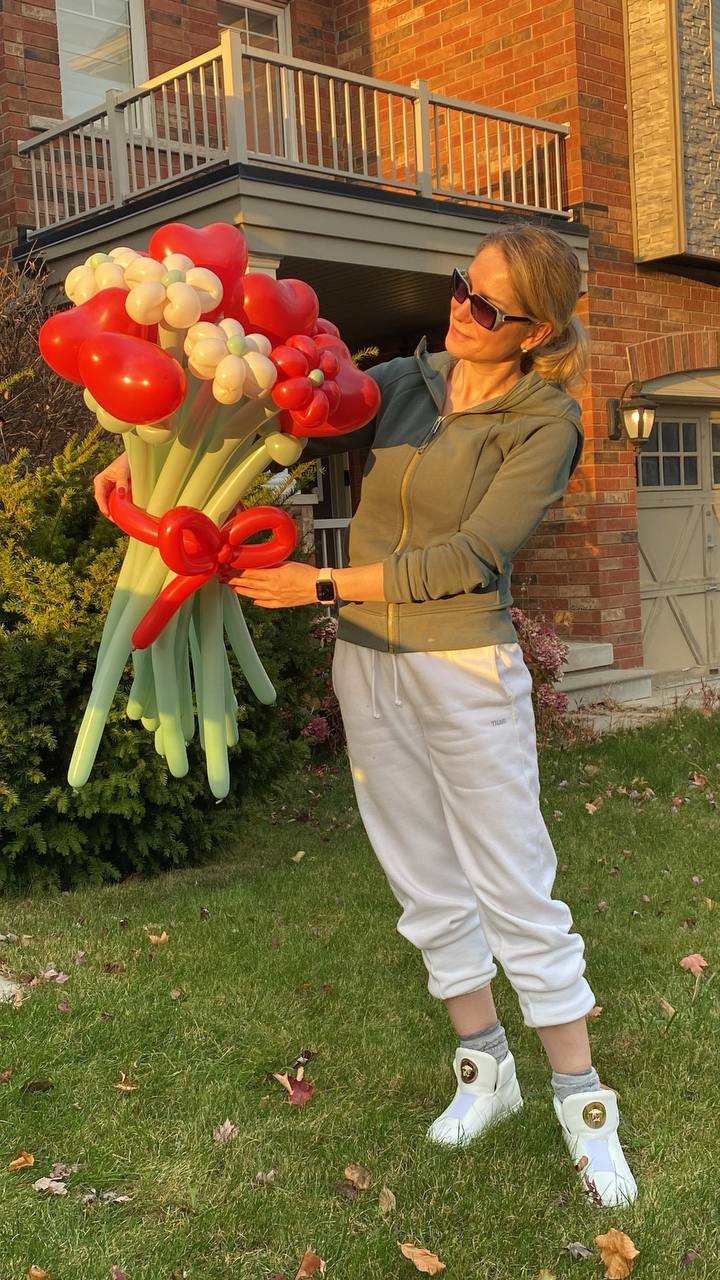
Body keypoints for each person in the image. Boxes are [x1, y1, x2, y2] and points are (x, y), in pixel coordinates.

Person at [93, 224, 637, 1208]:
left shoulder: (544, 421)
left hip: (463, 662)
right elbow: (273, 420)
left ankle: (585, 1105)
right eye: (459, 290)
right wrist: (150, 467)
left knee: (514, 884)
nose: (458, 312)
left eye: (486, 308)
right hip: (369, 662)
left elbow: (471, 559)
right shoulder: (409, 383)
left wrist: (323, 581)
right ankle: (486, 1072)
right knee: (421, 874)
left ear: (538, 329)